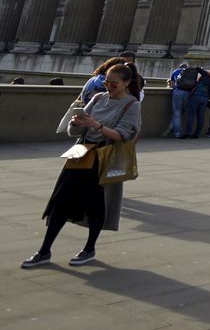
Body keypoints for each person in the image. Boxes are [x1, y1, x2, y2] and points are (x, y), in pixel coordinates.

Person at [22, 63, 141, 269]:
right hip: (80, 154)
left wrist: (97, 126)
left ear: (126, 83)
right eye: (106, 82)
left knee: (96, 206)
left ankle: (89, 248)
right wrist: (76, 123)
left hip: (104, 158)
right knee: (60, 202)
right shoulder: (97, 98)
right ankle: (44, 251)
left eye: (114, 83)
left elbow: (122, 135)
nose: (108, 86)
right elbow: (74, 131)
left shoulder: (132, 105)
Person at [185, 64, 210, 138]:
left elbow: (198, 69)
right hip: (205, 99)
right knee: (201, 117)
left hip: (196, 96)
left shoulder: (206, 76)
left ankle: (188, 133)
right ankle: (196, 134)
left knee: (191, 115)